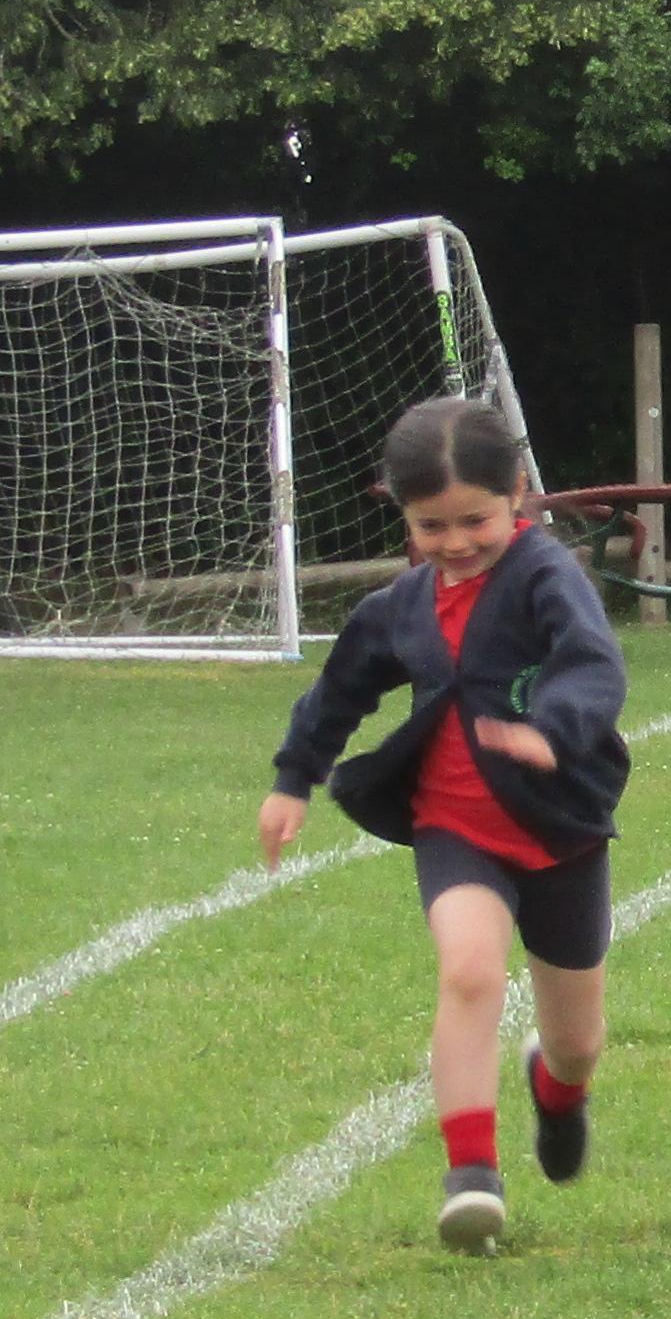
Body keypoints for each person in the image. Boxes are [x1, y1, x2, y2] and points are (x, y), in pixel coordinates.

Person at [260, 396, 634, 1252]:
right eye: (431, 526)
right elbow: (341, 687)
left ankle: (557, 1087)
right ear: (403, 515)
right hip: (455, 830)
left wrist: (553, 730)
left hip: (560, 831)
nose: (456, 543)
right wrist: (293, 778)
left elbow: (592, 662)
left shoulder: (546, 578)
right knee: (468, 971)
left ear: (517, 495)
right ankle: (472, 1176)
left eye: (475, 521)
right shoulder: (403, 605)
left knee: (578, 1042)